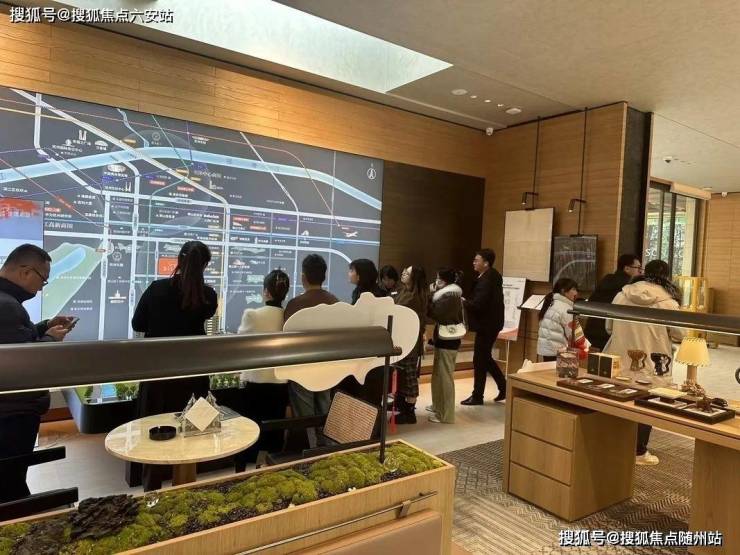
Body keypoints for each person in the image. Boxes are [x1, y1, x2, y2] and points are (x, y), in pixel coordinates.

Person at [131, 240, 217, 490]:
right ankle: (185, 487)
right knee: (193, 432)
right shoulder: (208, 296)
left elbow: (138, 324)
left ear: (179, 261)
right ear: (205, 265)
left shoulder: (156, 289)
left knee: (154, 434)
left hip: (158, 372)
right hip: (194, 374)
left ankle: (152, 491)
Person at [0, 244, 74, 502]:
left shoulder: (8, 302)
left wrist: (45, 327)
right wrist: (51, 339)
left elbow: (18, 338)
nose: (42, 287)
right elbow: (23, 362)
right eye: (43, 279)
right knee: (10, 483)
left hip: (10, 410)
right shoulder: (7, 306)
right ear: (25, 272)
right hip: (12, 413)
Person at [604, 259, 685, 466]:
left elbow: (609, 327)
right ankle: (639, 451)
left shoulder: (622, 295)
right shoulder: (668, 303)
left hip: (620, 359)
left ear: (643, 272)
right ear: (666, 277)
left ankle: (615, 445)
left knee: (620, 402)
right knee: (646, 404)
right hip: (653, 362)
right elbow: (680, 334)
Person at [234, 269, 290, 471]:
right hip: (279, 384)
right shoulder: (288, 318)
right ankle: (265, 469)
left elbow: (240, 346)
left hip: (254, 383)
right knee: (272, 435)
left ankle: (241, 471)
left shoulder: (252, 315)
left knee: (247, 432)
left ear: (266, 291)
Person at [284, 254, 338, 419]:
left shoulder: (295, 304)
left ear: (303, 277)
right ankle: (324, 437)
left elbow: (287, 338)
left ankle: (310, 437)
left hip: (302, 367)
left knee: (305, 416)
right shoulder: (335, 302)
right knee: (324, 411)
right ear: (324, 276)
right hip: (328, 365)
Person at [461, 249, 506, 405]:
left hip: (487, 325)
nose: (473, 262)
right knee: (483, 358)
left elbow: (478, 304)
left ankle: (478, 396)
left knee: (480, 359)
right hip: (490, 324)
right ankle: (503, 387)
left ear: (486, 263)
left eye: (477, 260)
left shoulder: (487, 280)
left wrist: (463, 302)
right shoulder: (490, 276)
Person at [426, 268, 464, 424]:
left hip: (448, 341)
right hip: (443, 340)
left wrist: (430, 296)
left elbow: (436, 313)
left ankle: (446, 415)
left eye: (439, 279)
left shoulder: (450, 295)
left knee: (445, 377)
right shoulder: (448, 294)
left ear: (445, 280)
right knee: (438, 376)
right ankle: (438, 406)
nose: (436, 282)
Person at [584, 254, 643, 350]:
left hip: (592, 328)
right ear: (627, 268)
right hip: (609, 332)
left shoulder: (607, 279)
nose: (640, 271)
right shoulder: (628, 287)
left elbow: (592, 300)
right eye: (638, 268)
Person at [393, 266, 428, 424]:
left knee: (409, 376)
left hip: (410, 340)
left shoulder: (416, 296)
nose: (403, 274)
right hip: (401, 339)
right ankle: (402, 406)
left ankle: (409, 411)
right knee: (402, 374)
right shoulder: (404, 291)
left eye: (407, 273)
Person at [537, 278, 589, 362]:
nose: (576, 293)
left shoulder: (551, 303)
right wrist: (586, 347)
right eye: (573, 289)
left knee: (548, 370)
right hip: (559, 352)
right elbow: (575, 333)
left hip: (547, 350)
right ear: (563, 291)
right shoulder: (566, 308)